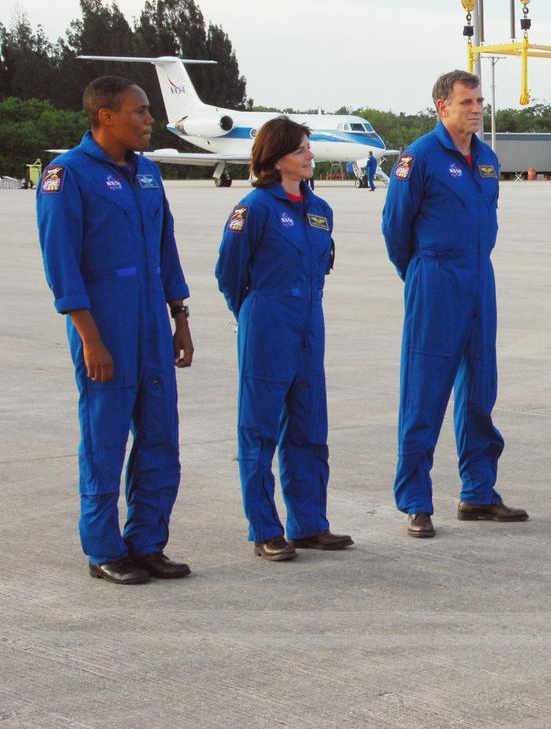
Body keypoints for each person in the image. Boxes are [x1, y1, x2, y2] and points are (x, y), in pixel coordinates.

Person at [35, 76, 194, 585]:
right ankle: (104, 549)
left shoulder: (147, 174)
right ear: (106, 116)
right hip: (106, 326)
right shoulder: (68, 175)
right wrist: (89, 337)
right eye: (140, 111)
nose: (151, 120)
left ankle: (147, 543)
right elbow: (62, 263)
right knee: (104, 440)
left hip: (151, 325)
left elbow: (165, 247)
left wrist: (180, 316)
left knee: (160, 437)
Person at [382, 70, 527, 538]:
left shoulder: (486, 158)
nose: (476, 109)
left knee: (481, 389)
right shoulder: (419, 157)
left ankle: (478, 492)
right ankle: (416, 501)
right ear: (442, 107)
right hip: (436, 276)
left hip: (478, 277)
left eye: (480, 100)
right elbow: (395, 228)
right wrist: (421, 275)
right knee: (424, 394)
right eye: (467, 102)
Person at [215, 117, 352, 561]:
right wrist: (254, 316)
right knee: (258, 431)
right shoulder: (252, 209)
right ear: (276, 159)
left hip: (310, 324)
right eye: (301, 150)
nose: (310, 155)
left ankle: (309, 523)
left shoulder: (320, 210)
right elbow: (229, 274)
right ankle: (264, 528)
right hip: (268, 323)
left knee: (310, 426)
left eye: (309, 147)